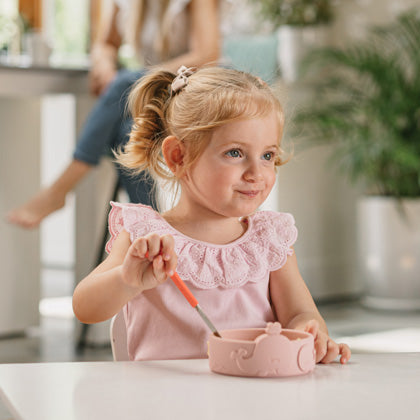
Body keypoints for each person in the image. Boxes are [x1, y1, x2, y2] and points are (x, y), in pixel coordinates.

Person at [72, 66, 351, 364]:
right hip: (162, 401)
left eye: (268, 155)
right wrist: (127, 281)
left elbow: (300, 313)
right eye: (235, 153)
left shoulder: (269, 241)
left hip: (250, 401)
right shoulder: (146, 237)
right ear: (178, 156)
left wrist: (310, 329)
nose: (257, 173)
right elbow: (85, 307)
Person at [6, 0, 220, 228]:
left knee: (124, 83)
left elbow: (205, 56)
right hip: (160, 97)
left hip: (199, 93)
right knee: (128, 134)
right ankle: (152, 231)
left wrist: (142, 81)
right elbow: (106, 43)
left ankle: (58, 191)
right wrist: (104, 63)